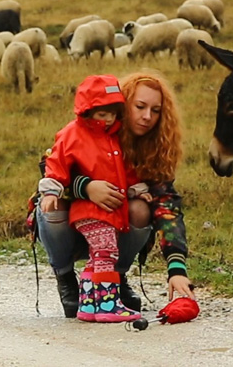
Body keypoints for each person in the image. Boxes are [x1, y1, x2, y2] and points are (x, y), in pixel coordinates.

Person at [35, 69, 194, 318]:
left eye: (155, 111)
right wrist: (86, 187)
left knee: (141, 208)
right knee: (51, 207)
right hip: (78, 219)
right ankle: (65, 276)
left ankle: (115, 278)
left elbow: (167, 205)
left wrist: (176, 267)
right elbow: (50, 167)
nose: (147, 117)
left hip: (115, 220)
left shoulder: (154, 148)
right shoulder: (92, 128)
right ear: (122, 103)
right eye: (140, 106)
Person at [39, 73, 145, 323]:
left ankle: (88, 305)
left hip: (109, 210)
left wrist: (135, 188)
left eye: (112, 112)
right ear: (87, 110)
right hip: (90, 210)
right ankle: (108, 305)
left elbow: (122, 172)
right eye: (101, 113)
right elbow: (56, 164)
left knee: (99, 256)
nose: (108, 119)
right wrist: (51, 191)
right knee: (106, 251)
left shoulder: (113, 137)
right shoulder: (72, 134)